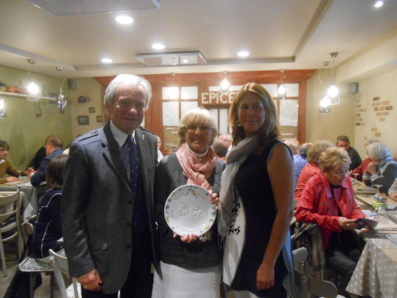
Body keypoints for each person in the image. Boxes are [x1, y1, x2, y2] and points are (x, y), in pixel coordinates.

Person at [61, 74, 159, 298]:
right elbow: (70, 214)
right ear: (108, 105)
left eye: (139, 105)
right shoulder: (84, 149)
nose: (133, 110)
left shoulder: (149, 142)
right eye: (124, 102)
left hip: (143, 255)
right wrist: (83, 265)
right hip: (101, 260)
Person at [218, 83, 295, 297]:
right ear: (236, 113)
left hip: (263, 249)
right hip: (240, 244)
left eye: (257, 107)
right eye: (244, 107)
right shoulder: (240, 150)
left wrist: (268, 263)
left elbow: (285, 212)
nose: (250, 113)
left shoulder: (276, 151)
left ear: (268, 112)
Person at [152, 108, 225, 298]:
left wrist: (219, 206)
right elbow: (159, 207)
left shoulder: (221, 167)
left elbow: (230, 213)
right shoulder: (168, 164)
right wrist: (178, 230)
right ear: (184, 132)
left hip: (210, 255)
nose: (198, 132)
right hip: (174, 254)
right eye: (192, 127)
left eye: (204, 127)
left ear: (212, 133)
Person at [295, 147, 366, 297]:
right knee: (351, 268)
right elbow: (301, 213)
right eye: (339, 171)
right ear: (325, 170)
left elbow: (353, 206)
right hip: (323, 242)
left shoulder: (346, 180)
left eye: (346, 171)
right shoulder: (315, 183)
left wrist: (360, 219)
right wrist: (335, 221)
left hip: (344, 237)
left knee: (365, 262)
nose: (344, 176)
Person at [32, 154, 67, 262]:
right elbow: (65, 227)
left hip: (53, 244)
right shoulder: (57, 196)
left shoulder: (56, 193)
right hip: (48, 249)